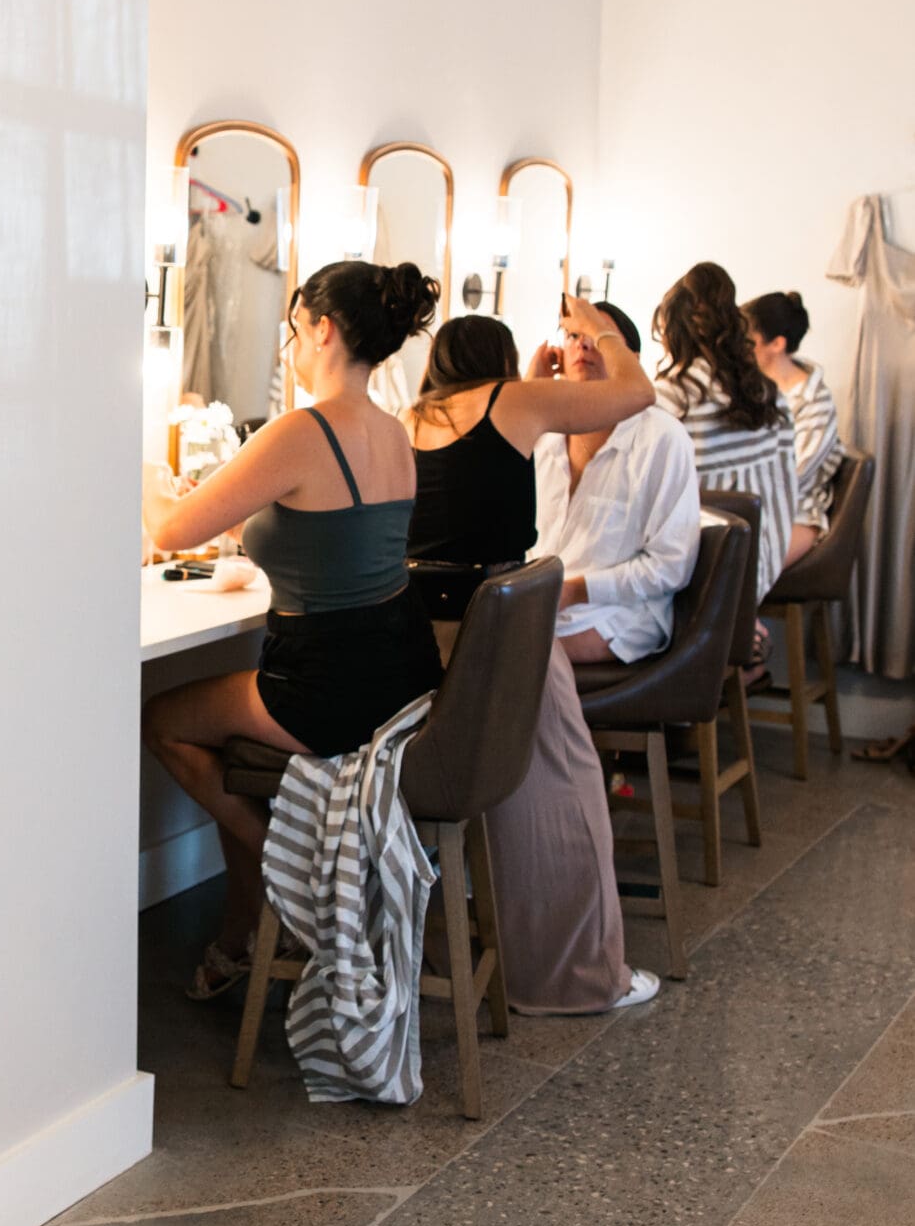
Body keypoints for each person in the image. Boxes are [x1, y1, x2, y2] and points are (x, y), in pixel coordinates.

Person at [142, 260, 443, 997]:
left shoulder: (302, 430)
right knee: (213, 734)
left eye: (293, 333)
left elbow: (175, 528)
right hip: (400, 678)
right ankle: (238, 932)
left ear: (322, 328)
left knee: (168, 720)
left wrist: (145, 471)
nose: (292, 349)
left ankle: (288, 866)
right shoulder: (394, 431)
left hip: (324, 687)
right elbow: (337, 544)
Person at [404, 305, 659, 1013]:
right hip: (498, 631)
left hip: (418, 634)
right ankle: (576, 978)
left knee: (497, 791)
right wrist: (600, 329)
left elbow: (475, 460)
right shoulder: (513, 401)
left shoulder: (409, 419)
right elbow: (637, 394)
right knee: (566, 794)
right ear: (502, 361)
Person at [533, 297, 701, 665]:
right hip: (538, 603)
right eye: (574, 335)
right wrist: (532, 388)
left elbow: (671, 564)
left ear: (632, 362)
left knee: (516, 656)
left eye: (597, 334)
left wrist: (575, 591)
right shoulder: (544, 433)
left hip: (622, 609)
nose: (584, 344)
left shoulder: (662, 439)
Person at [654, 261, 796, 602]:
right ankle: (746, 638)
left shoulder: (674, 396)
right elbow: (786, 486)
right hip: (762, 560)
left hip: (702, 572)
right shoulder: (768, 392)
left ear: (673, 331)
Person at [744, 289, 843, 569]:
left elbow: (795, 474)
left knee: (733, 574)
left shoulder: (815, 403)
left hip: (795, 514)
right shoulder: (751, 391)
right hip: (749, 507)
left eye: (749, 341)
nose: (742, 348)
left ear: (777, 343)